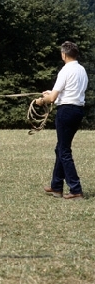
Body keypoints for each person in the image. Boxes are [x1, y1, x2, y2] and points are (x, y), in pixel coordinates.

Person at [36, 41, 88, 200]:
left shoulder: (65, 70)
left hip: (66, 111)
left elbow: (52, 99)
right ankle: (56, 186)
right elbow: (70, 91)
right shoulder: (82, 70)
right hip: (77, 110)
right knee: (60, 148)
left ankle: (76, 189)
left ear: (64, 54)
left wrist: (42, 101)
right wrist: (50, 93)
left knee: (64, 151)